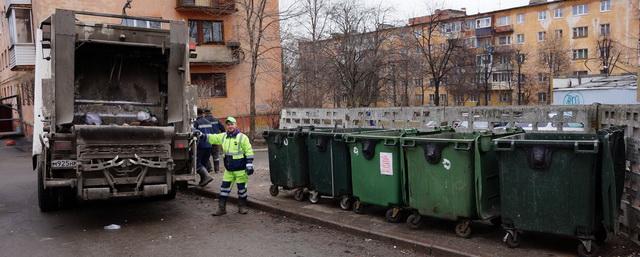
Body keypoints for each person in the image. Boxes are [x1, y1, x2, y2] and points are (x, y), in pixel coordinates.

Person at [202, 116, 254, 216]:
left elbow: (249, 151)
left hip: (241, 170)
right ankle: (222, 209)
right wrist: (202, 135)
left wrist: (249, 164)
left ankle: (242, 207)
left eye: (232, 124)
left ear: (236, 125)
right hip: (229, 170)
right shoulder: (223, 136)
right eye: (228, 124)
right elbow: (213, 138)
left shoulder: (242, 137)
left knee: (242, 189)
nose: (230, 126)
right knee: (224, 189)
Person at [193, 108, 214, 187]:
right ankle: (203, 181)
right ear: (203, 113)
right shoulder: (208, 122)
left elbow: (194, 133)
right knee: (203, 163)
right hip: (209, 145)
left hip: (200, 146)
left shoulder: (196, 122)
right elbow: (211, 133)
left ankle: (206, 176)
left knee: (197, 163)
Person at [203, 108, 225, 173]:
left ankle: (209, 169)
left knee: (207, 155)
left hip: (208, 140)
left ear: (205, 113)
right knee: (216, 155)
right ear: (210, 113)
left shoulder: (204, 120)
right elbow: (223, 129)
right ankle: (217, 170)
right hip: (216, 140)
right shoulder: (216, 120)